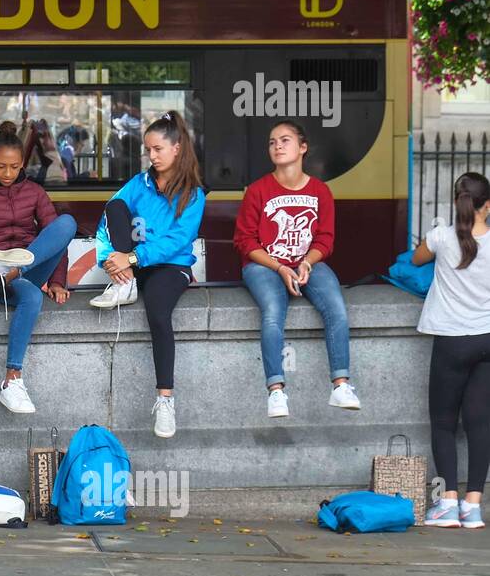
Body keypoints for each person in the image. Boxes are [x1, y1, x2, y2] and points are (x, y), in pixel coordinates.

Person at [91, 111, 205, 439]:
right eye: (148, 150)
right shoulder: (139, 183)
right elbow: (110, 216)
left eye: (157, 149)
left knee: (157, 310)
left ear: (177, 148)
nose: (151, 157)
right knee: (115, 205)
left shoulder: (193, 193)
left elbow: (177, 241)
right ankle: (123, 285)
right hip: (133, 262)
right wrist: (110, 259)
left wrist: (131, 257)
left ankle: (165, 400)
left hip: (170, 267)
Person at [234, 121, 359, 418]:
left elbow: (325, 239)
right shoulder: (257, 190)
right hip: (264, 265)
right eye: (272, 142)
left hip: (307, 264)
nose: (277, 146)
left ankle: (340, 385)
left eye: (285, 140)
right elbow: (244, 241)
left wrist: (306, 263)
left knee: (337, 309)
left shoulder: (320, 191)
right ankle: (276, 391)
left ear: (303, 148)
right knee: (273, 314)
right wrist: (279, 268)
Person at [0, 125, 76, 414]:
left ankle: (21, 270)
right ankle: (13, 379)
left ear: (23, 164)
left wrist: (58, 281)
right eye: (1, 166)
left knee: (66, 224)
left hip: (24, 267)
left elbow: (56, 241)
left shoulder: (35, 192)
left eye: (14, 166)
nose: (8, 173)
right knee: (32, 297)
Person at [412, 172, 490, 530]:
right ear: (486, 206)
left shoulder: (441, 237)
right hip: (486, 339)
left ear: (457, 200)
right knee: (480, 423)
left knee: (443, 423)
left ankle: (447, 504)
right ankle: (474, 507)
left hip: (452, 340)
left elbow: (415, 260)